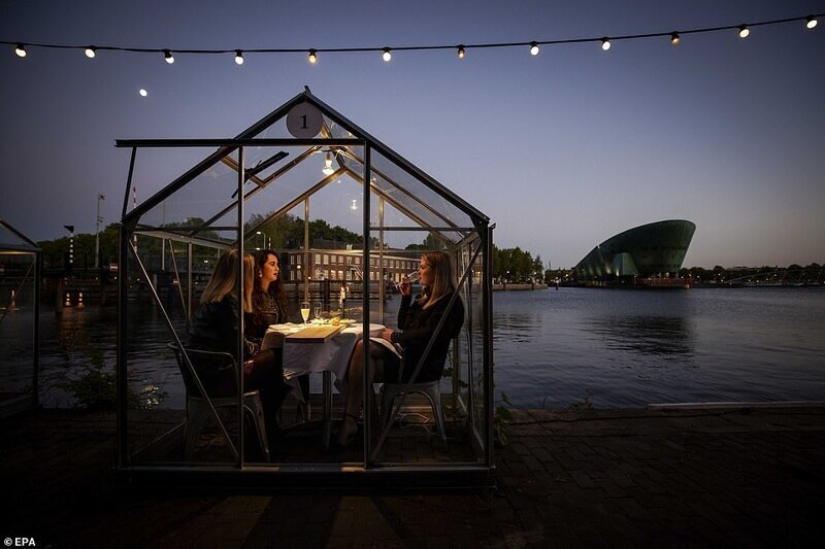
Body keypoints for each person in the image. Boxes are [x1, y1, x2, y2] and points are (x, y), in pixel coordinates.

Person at [336, 250, 465, 447]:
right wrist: (406, 298)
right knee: (362, 349)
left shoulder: (450, 304)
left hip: (421, 366)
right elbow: (405, 324)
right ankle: (365, 423)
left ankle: (357, 422)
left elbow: (427, 335)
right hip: (408, 355)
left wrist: (394, 337)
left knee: (361, 362)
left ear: (437, 271)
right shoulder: (427, 297)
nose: (418, 271)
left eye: (422, 267)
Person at [189, 249, 291, 450]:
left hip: (200, 374)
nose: (255, 273)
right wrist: (255, 348)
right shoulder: (229, 301)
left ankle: (264, 426)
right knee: (281, 361)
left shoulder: (213, 298)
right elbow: (239, 346)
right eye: (252, 269)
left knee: (279, 367)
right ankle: (263, 429)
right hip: (219, 378)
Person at [247, 249, 311, 421]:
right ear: (260, 268)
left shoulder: (274, 296)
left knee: (300, 356)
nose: (277, 269)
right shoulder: (250, 296)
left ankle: (303, 407)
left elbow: (282, 323)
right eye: (272, 264)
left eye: (278, 265)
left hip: (273, 348)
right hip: (258, 352)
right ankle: (268, 419)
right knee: (292, 362)